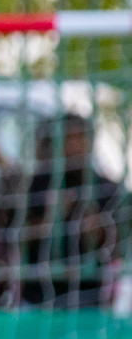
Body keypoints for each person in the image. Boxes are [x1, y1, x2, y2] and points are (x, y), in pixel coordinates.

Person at [16, 114, 128, 309]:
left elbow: (119, 245)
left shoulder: (108, 189)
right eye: (68, 138)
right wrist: (50, 221)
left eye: (80, 138)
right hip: (38, 296)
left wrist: (98, 231)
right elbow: (13, 237)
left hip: (89, 298)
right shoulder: (35, 185)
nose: (74, 146)